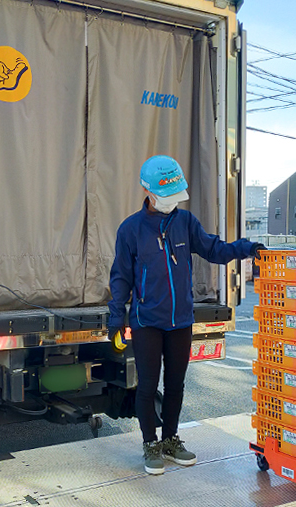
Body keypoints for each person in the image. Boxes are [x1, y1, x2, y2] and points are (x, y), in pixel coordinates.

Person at [107, 155, 265, 475]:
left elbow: (214, 249)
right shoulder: (131, 230)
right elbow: (120, 277)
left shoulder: (186, 222)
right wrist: (115, 320)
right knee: (148, 385)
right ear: (147, 192)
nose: (171, 204)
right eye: (166, 197)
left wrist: (247, 248)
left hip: (180, 320)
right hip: (147, 321)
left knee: (176, 384)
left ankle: (170, 439)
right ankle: (150, 444)